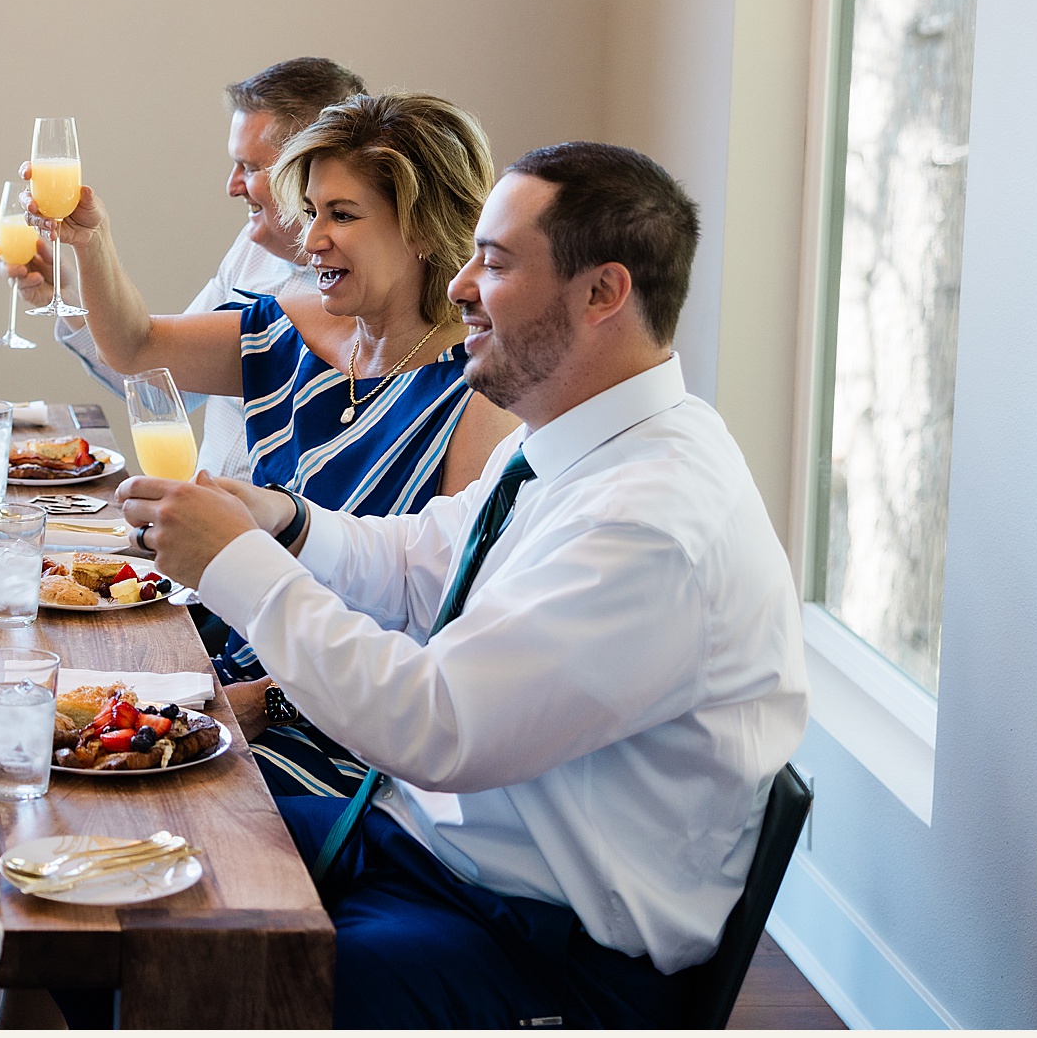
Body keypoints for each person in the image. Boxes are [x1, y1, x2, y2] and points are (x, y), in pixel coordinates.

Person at [117, 143, 808, 1027]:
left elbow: (435, 725)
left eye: (497, 260)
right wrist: (282, 521)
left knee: (202, 970)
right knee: (144, 854)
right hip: (431, 852)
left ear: (603, 293)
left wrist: (233, 564)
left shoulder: (651, 523)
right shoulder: (568, 438)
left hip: (539, 943)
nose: (460, 285)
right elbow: (426, 559)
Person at [27, 92, 519, 790]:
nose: (311, 237)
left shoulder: (477, 397)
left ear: (423, 228)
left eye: (342, 214)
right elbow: (138, 346)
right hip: (224, 660)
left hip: (339, 736)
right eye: (312, 209)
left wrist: (273, 698)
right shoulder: (287, 326)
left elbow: (439, 629)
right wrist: (91, 238)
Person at [0, 55, 366, 482]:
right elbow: (161, 383)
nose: (232, 185)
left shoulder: (365, 298)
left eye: (249, 167)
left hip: (271, 538)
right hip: (199, 517)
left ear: (310, 165)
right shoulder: (249, 252)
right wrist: (72, 294)